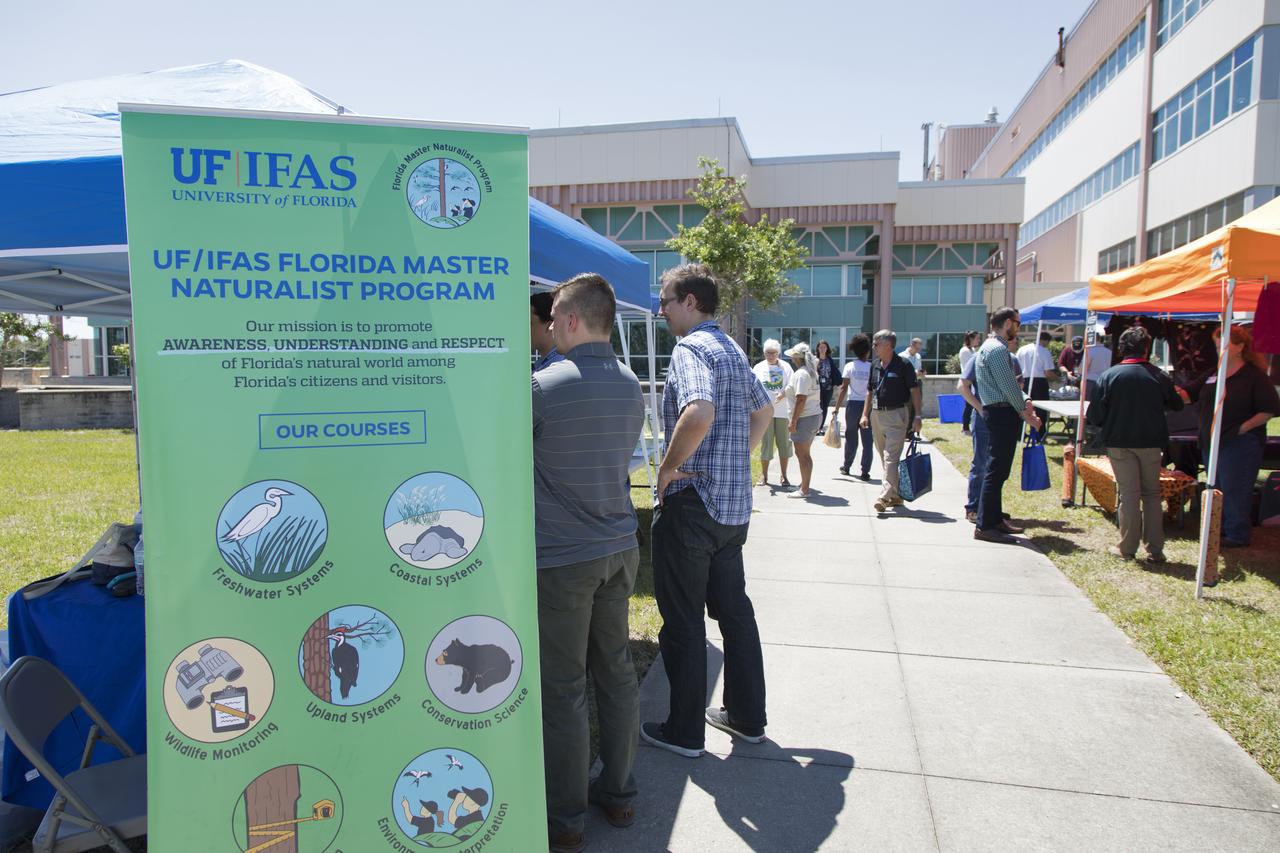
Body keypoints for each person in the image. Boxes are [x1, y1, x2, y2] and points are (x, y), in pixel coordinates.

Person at [532, 274, 645, 852]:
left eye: (552, 317)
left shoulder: (542, 387)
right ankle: (621, 795)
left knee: (564, 688)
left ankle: (566, 819)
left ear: (572, 320)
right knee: (617, 673)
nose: (548, 327)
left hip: (563, 559)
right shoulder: (631, 384)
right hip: (618, 548)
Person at [643, 264, 773, 759]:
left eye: (666, 300)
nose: (661, 310)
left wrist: (668, 468)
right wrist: (739, 459)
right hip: (732, 509)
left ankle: (684, 731)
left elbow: (697, 412)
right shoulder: (734, 349)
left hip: (694, 506)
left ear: (691, 302)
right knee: (735, 614)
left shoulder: (691, 348)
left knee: (683, 621)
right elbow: (763, 410)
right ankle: (746, 717)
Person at [1086, 326, 1184, 562]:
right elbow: (1177, 404)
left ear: (1121, 349)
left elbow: (1094, 415)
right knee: (1151, 494)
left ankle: (1127, 548)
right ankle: (1155, 549)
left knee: (1129, 495)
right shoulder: (1159, 375)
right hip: (1151, 442)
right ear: (1147, 348)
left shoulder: (1109, 376)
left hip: (1120, 442)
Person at [1183, 325, 1280, 548]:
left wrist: (1242, 428)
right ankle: (1220, 529)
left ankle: (1236, 534)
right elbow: (1189, 393)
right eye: (1218, 345)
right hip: (1212, 442)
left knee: (1235, 488)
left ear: (1240, 347)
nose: (1220, 349)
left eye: (1225, 344)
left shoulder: (1254, 376)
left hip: (1240, 443)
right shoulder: (1214, 372)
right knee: (1216, 486)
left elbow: (1268, 409)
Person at [973, 307, 1042, 543]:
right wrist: (1027, 414)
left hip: (1001, 413)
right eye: (1018, 323)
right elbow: (1009, 387)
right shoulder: (997, 349)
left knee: (999, 470)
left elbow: (1010, 388)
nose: (1019, 328)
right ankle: (985, 525)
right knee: (995, 471)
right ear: (1007, 324)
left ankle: (994, 519)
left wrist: (1025, 401)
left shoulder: (993, 348)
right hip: (1001, 414)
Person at [860, 330, 922, 513]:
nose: (873, 347)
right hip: (877, 415)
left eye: (876, 343)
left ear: (888, 345)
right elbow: (869, 391)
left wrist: (917, 416)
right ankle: (895, 496)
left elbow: (915, 392)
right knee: (883, 455)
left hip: (897, 415)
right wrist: (865, 414)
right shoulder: (875, 365)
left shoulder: (903, 365)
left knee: (890, 456)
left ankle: (884, 495)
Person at [751, 339, 793, 487]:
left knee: (784, 444)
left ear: (778, 353)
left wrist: (783, 393)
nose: (770, 356)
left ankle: (784, 475)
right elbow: (753, 386)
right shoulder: (758, 367)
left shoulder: (786, 367)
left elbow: (791, 385)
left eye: (773, 353)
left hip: (782, 412)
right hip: (764, 412)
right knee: (766, 445)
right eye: (768, 353)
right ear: (764, 353)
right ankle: (765, 475)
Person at [783, 342, 822, 498]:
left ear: (797, 358)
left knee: (802, 455)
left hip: (805, 418)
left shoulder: (801, 374)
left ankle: (804, 490)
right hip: (813, 416)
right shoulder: (810, 372)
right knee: (805, 454)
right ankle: (804, 484)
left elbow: (801, 399)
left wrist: (793, 421)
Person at [835, 334, 874, 479]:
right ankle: (865, 471)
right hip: (867, 405)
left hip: (852, 405)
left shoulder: (849, 366)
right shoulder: (872, 367)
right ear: (867, 351)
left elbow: (844, 388)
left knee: (851, 437)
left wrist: (837, 407)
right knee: (867, 440)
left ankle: (846, 466)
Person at [1016, 330, 1056, 436]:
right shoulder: (1044, 351)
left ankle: (1020, 432)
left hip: (1023, 380)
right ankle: (1039, 432)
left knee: (1022, 406)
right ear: (1045, 341)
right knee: (1041, 409)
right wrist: (1057, 379)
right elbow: (1048, 372)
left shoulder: (1022, 349)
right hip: (1039, 382)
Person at [530, 291, 564, 371]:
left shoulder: (558, 367)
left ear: (550, 326)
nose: (524, 330)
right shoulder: (543, 364)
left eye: (529, 324)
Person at [958, 331, 981, 434]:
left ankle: (968, 426)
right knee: (969, 404)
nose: (978, 340)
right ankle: (965, 427)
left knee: (970, 405)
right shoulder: (965, 351)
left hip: (972, 380)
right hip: (968, 380)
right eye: (977, 338)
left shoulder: (972, 350)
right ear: (971, 339)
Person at [814, 340, 838, 435]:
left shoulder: (830, 360)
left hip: (828, 388)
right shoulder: (815, 360)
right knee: (818, 406)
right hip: (817, 388)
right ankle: (816, 426)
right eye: (821, 347)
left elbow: (834, 372)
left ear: (827, 348)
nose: (822, 349)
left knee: (824, 407)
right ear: (818, 349)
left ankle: (820, 427)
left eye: (824, 347)